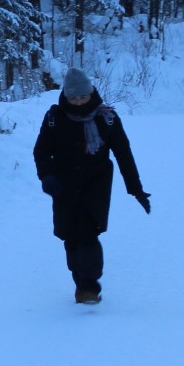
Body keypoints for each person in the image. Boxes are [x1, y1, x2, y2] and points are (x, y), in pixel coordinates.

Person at [33, 69, 151, 305]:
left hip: (95, 185)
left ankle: (90, 286)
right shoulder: (55, 117)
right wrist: (47, 176)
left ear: (91, 94)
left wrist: (135, 189)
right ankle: (80, 282)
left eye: (82, 97)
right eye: (73, 98)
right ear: (66, 96)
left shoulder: (106, 118)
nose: (78, 102)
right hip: (63, 186)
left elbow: (123, 155)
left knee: (88, 234)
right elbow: (42, 150)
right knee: (70, 236)